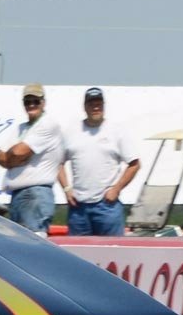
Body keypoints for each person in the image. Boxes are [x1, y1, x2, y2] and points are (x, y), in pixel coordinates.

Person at [56, 87, 140, 236]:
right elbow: (57, 163)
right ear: (85, 106)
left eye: (99, 103)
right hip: (78, 207)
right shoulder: (72, 131)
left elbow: (134, 164)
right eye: (91, 104)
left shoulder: (116, 131)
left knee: (113, 254)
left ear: (103, 105)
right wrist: (67, 189)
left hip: (107, 206)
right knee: (77, 256)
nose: (96, 107)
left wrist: (116, 189)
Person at [0, 83, 64, 234]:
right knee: (18, 247)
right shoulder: (20, 128)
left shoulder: (47, 124)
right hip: (17, 195)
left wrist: (12, 158)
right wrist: (13, 158)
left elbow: (18, 152)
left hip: (35, 194)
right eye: (27, 102)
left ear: (43, 102)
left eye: (36, 101)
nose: (31, 105)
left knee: (34, 245)